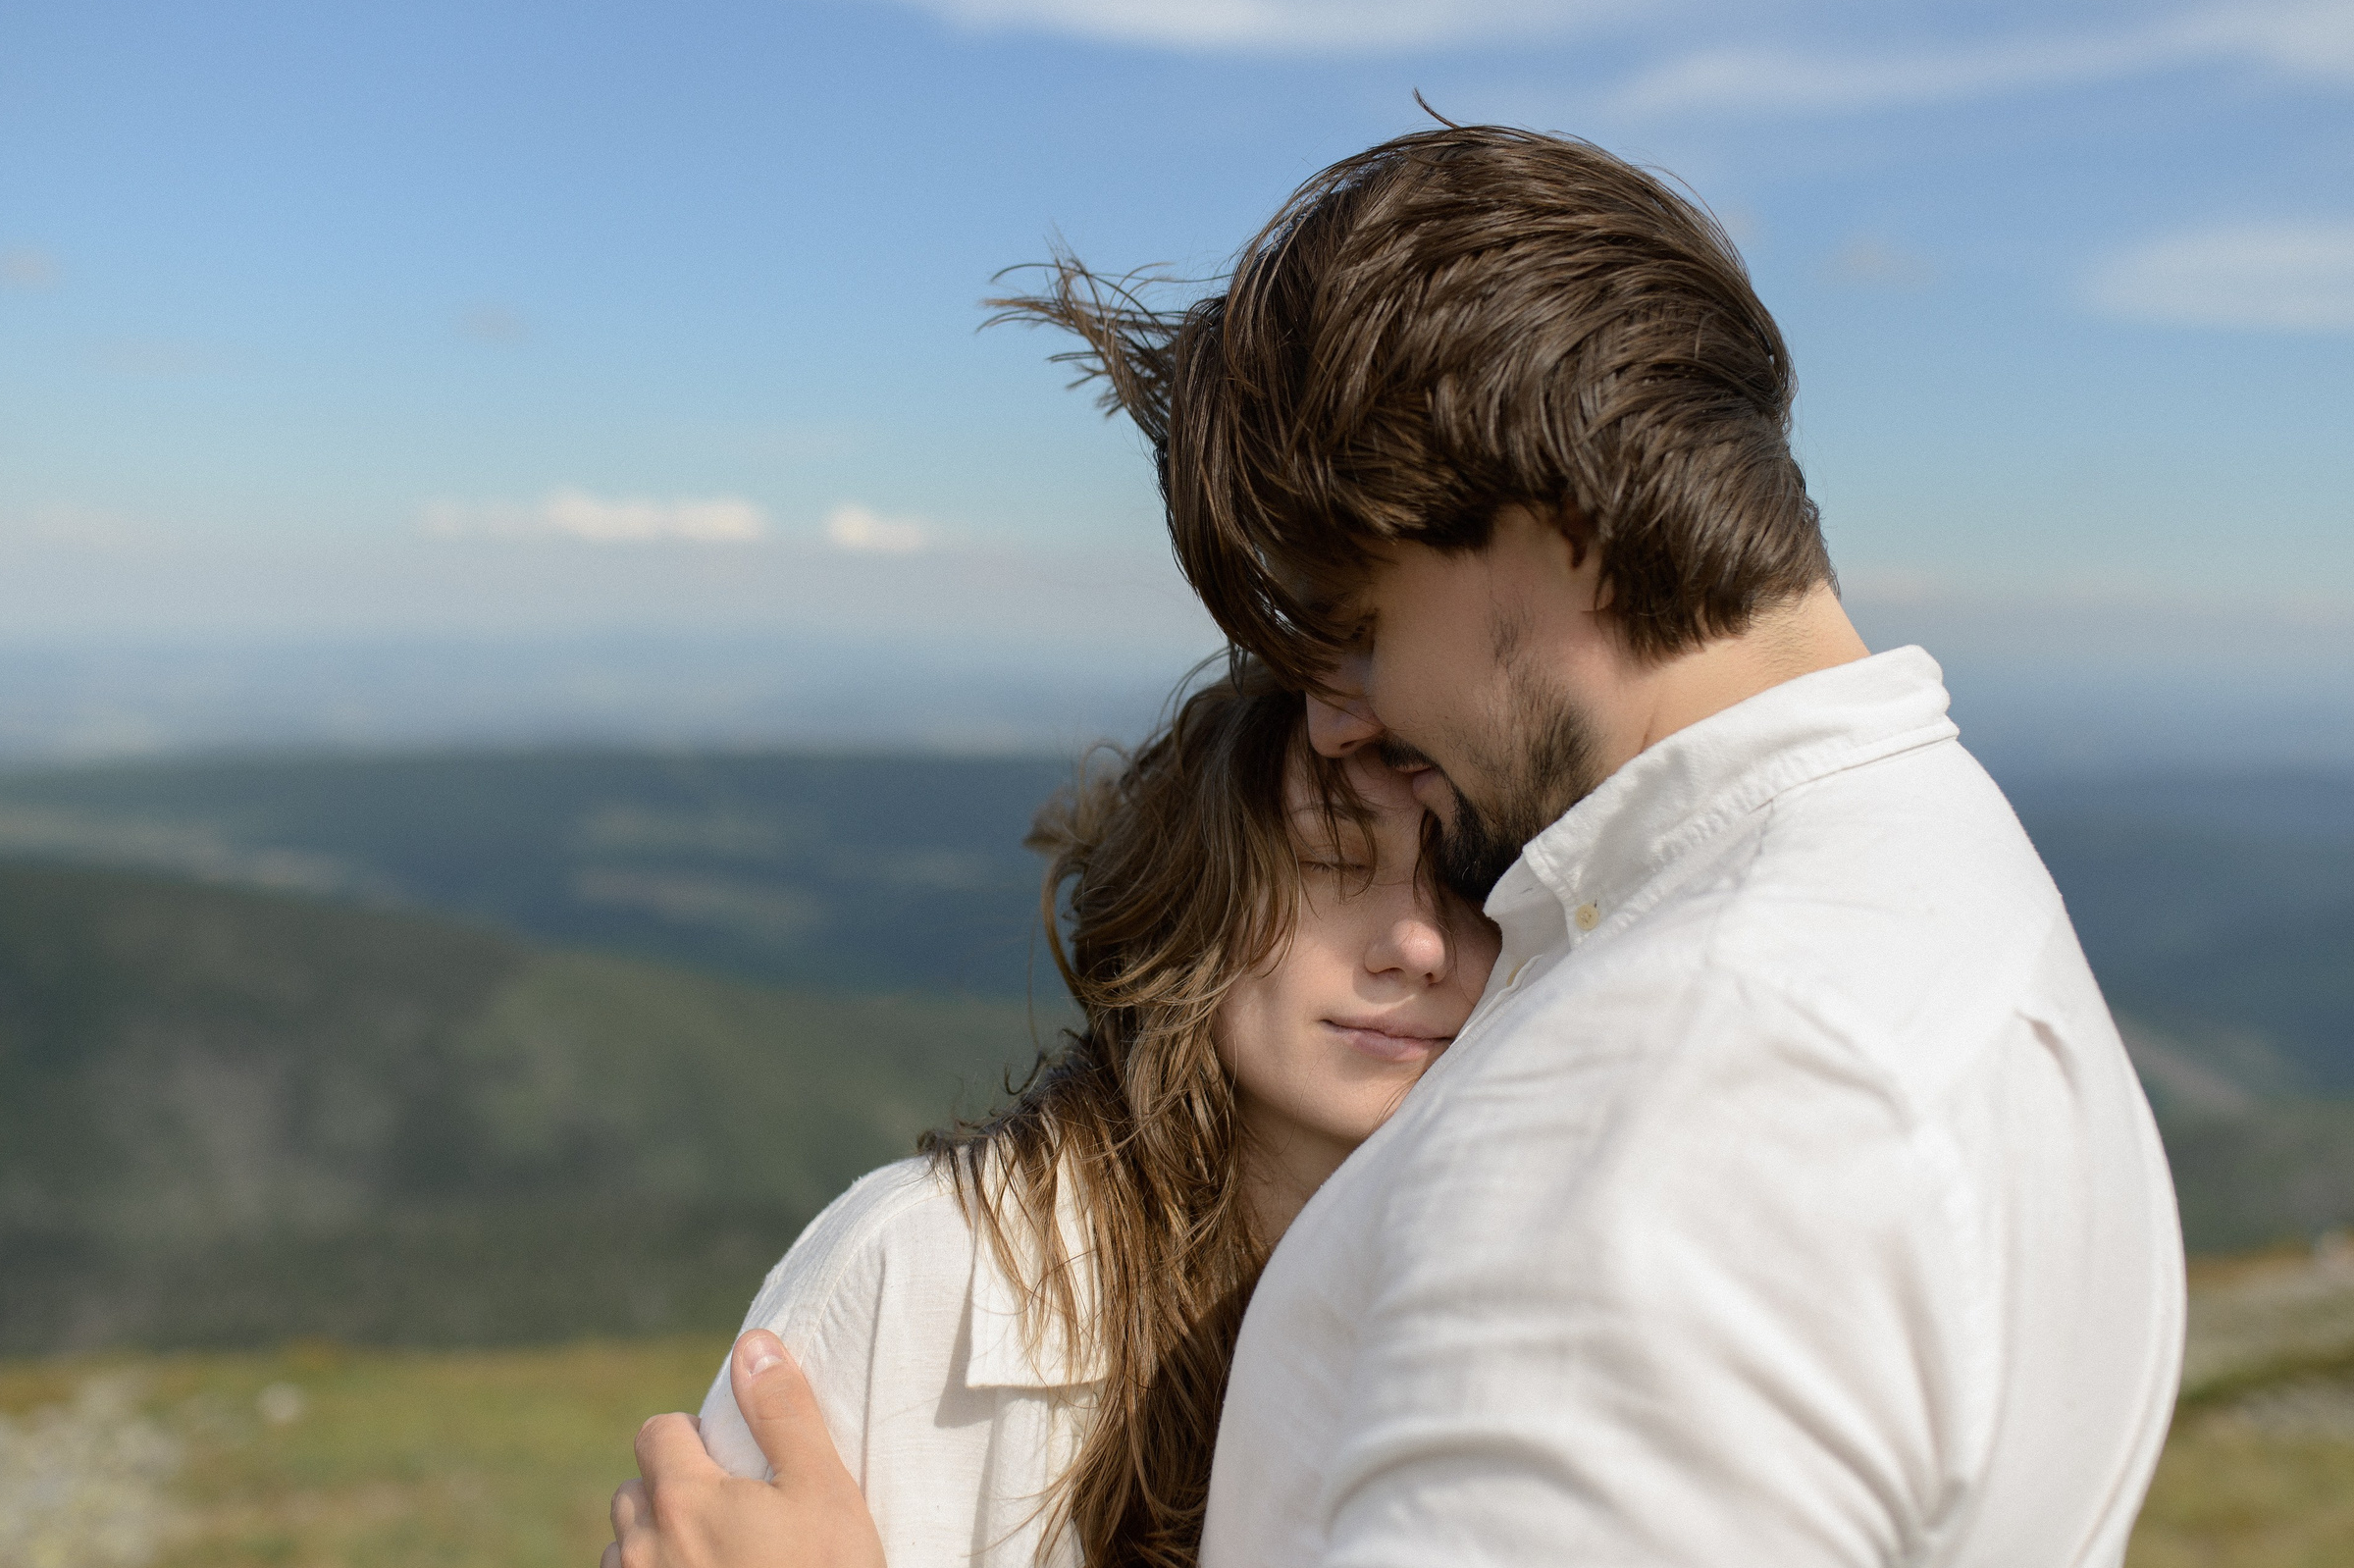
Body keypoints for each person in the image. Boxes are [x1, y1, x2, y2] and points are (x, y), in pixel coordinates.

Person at [609, 124, 2187, 1567]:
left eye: (1357, 622)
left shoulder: (1695, 1077)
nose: (1348, 714)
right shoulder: (1958, 901)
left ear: (1541, 511)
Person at [611, 659, 1493, 1568]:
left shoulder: (1535, 1295)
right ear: (1198, 900)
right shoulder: (923, 1272)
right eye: (1334, 860)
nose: (1420, 942)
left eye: (1471, 882)